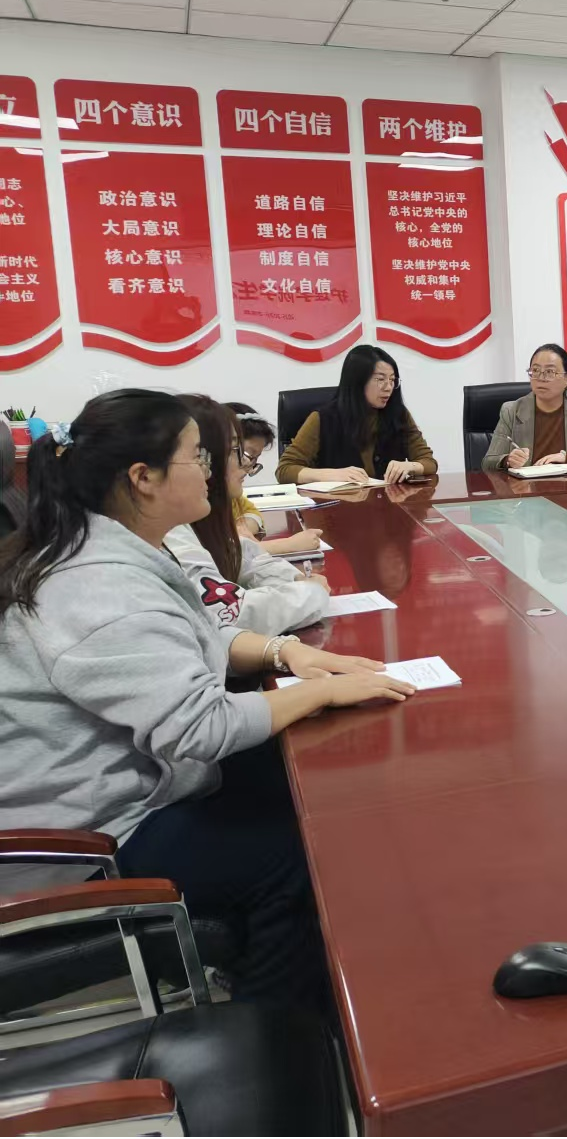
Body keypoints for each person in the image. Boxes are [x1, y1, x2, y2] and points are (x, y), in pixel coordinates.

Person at [0, 389, 415, 1007]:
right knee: (304, 856)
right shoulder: (98, 586)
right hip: (89, 842)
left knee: (309, 786)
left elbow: (184, 642)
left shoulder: (110, 548)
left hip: (131, 785)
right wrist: (322, 690)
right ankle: (280, 1027)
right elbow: (202, 729)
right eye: (198, 456)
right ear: (143, 478)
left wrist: (284, 654)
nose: (215, 470)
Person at [165, 396, 330, 635]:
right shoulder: (168, 532)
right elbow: (233, 612)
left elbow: (246, 557)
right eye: (235, 450)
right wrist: (312, 593)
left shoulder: (198, 517)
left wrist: (295, 580)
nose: (244, 463)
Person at [276, 345, 437, 485]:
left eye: (392, 380)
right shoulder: (323, 419)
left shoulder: (398, 414)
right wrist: (331, 475)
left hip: (389, 505)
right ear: (358, 381)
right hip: (339, 507)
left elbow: (429, 462)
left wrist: (410, 466)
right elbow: (285, 470)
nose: (388, 387)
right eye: (380, 379)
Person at [483, 343, 567, 471]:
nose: (541, 378)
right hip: (527, 487)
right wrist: (508, 460)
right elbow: (488, 462)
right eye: (535, 370)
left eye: (550, 372)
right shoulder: (512, 411)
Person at [226, 402, 323, 558]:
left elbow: (251, 511)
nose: (248, 469)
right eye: (247, 456)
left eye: (254, 460)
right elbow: (222, 553)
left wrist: (243, 527)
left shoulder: (229, 494)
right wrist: (287, 545)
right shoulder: (202, 498)